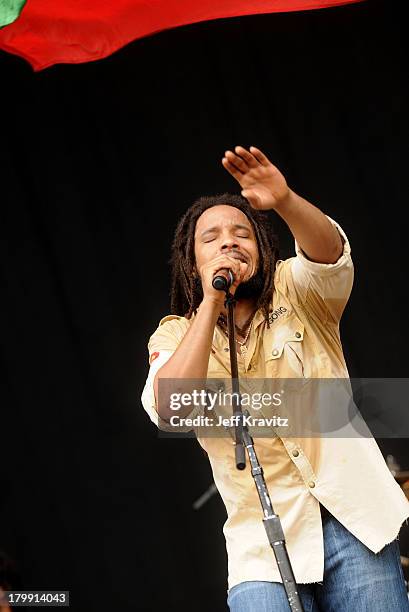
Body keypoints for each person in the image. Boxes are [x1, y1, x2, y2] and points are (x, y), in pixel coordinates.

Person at [141, 145, 409, 611]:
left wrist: (284, 199)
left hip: (354, 519)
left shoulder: (296, 288)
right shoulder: (176, 333)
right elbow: (171, 409)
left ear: (262, 252)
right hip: (260, 550)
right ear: (191, 263)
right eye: (212, 238)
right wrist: (210, 303)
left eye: (241, 233)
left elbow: (331, 255)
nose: (228, 242)